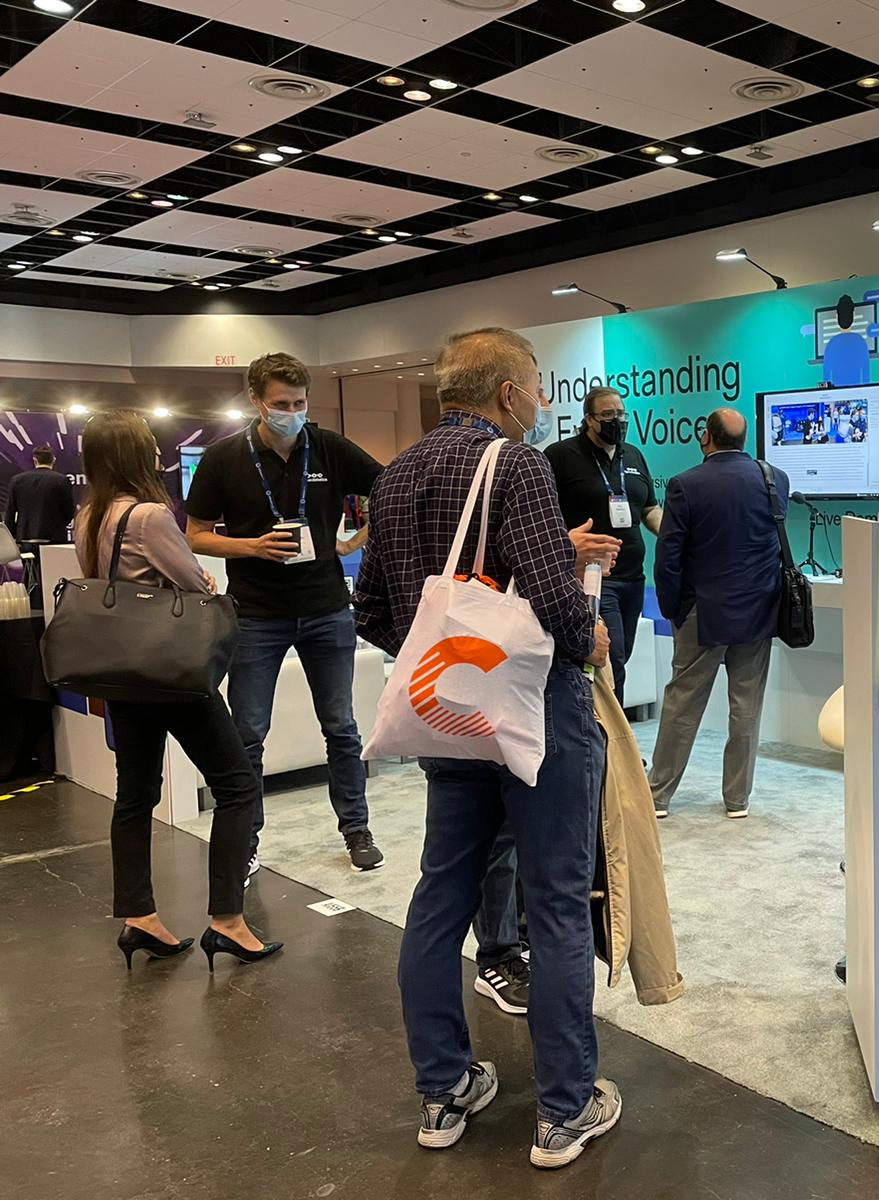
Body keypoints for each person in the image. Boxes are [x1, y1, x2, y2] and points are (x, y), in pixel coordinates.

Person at [354, 327, 621, 1169]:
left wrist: (447, 661)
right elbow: (552, 597)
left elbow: (372, 609)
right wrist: (590, 640)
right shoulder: (518, 464)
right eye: (537, 385)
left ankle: (443, 1091)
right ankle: (565, 1108)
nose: (542, 400)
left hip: (447, 714)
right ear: (509, 393)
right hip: (535, 709)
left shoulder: (394, 475)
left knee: (441, 896)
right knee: (557, 898)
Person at [73, 411, 280, 972]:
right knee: (237, 785)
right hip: (172, 673)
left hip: (122, 673)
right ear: (137, 454)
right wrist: (201, 581)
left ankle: (139, 916)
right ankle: (228, 920)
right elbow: (193, 582)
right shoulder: (148, 516)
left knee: (135, 795)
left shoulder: (88, 514)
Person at [185, 353, 386, 876]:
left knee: (341, 728)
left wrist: (353, 542)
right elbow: (196, 535)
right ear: (256, 400)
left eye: (299, 403)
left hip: (326, 609)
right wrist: (251, 546)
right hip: (256, 614)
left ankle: (357, 830)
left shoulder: (329, 447)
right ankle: (243, 843)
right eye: (281, 404)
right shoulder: (225, 457)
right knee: (248, 734)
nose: (292, 413)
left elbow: (391, 488)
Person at [649, 408, 788, 820]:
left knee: (682, 705)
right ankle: (737, 800)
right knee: (746, 708)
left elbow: (668, 557)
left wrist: (672, 609)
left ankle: (658, 797)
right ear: (744, 440)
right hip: (759, 611)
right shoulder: (776, 479)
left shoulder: (685, 484)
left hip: (702, 612)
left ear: (705, 437)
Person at [543, 385, 662, 704]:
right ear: (589, 419)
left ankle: (604, 727)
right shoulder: (561, 456)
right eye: (608, 415)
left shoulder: (632, 455)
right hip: (593, 577)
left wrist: (675, 534)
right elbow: (544, 515)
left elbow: (649, 508)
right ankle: (609, 731)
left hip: (633, 576)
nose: (617, 421)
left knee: (621, 656)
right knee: (611, 657)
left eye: (621, 414)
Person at [5, 444, 75, 544]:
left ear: (35, 460)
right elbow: (69, 511)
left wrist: (12, 538)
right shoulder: (62, 480)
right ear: (53, 460)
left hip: (25, 538)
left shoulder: (17, 480)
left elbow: (10, 513)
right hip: (54, 538)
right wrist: (58, 525)